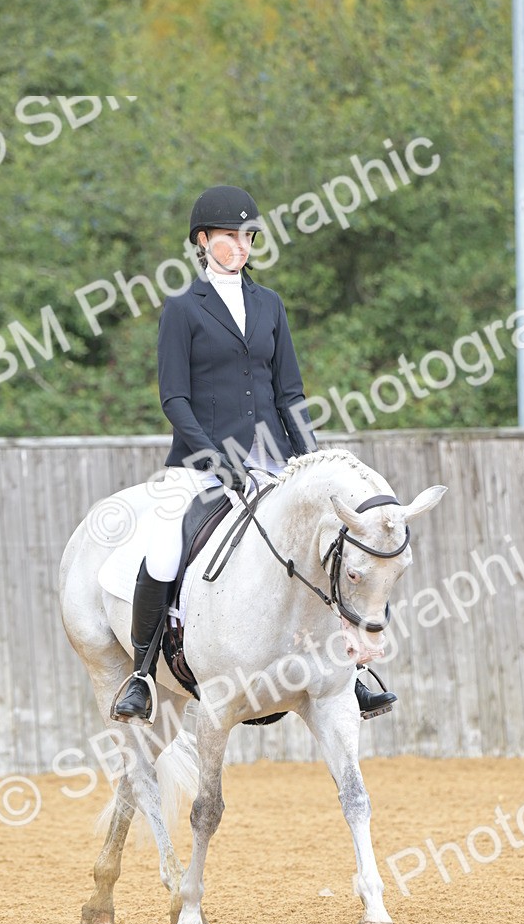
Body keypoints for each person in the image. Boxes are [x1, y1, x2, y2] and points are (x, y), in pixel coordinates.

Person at [110, 185, 395, 722]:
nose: (241, 246)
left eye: (248, 237)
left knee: (331, 546)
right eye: (229, 237)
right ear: (202, 241)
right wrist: (214, 459)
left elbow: (290, 394)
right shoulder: (182, 309)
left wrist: (315, 465)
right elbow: (174, 399)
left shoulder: (270, 305)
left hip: (274, 461)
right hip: (201, 464)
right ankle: (143, 674)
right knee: (165, 548)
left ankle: (351, 669)